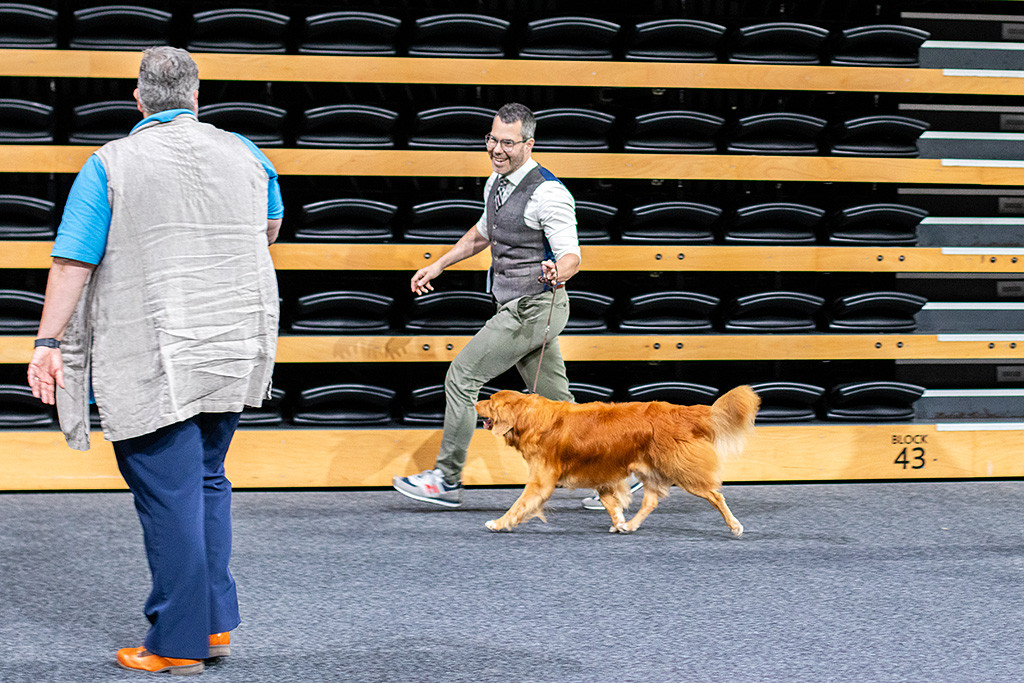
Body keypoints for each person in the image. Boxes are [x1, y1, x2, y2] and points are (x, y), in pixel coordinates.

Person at [26, 46, 282, 676]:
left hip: (156, 350)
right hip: (230, 344)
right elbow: (268, 228)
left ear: (138, 101)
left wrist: (47, 344)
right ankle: (215, 625)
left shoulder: (109, 163)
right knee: (205, 481)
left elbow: (72, 263)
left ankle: (176, 642)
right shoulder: (248, 153)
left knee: (169, 495)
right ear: (196, 98)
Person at [393, 102, 580, 507]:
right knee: (561, 407)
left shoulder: (548, 193)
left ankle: (445, 478)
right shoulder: (495, 182)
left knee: (462, 377)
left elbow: (571, 256)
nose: (497, 149)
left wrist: (556, 270)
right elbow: (483, 233)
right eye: (492, 139)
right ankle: (616, 477)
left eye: (508, 143)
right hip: (513, 305)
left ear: (529, 144)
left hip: (536, 306)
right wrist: (439, 264)